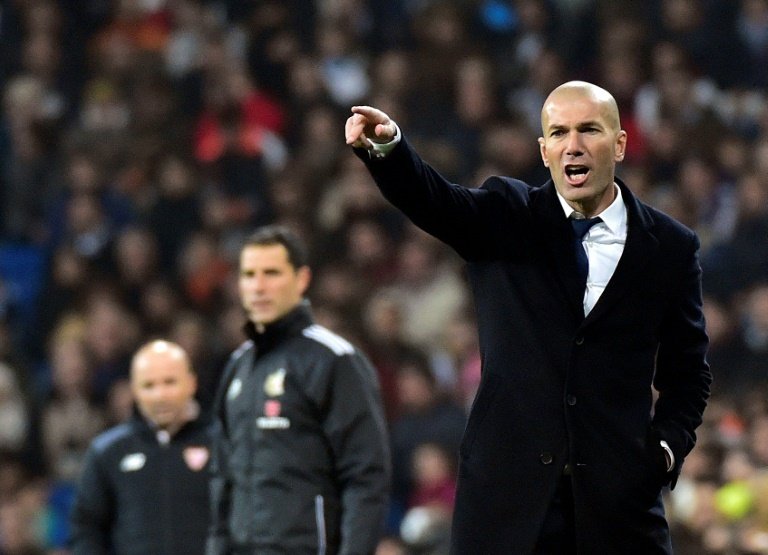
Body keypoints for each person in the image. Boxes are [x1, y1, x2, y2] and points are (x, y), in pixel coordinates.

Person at [345, 81, 712, 554]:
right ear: (544, 150)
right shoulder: (507, 215)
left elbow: (688, 374)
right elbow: (435, 201)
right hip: (505, 505)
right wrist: (391, 149)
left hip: (617, 509)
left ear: (619, 144)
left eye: (589, 131)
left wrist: (664, 450)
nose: (573, 146)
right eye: (559, 133)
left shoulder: (670, 246)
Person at [206, 224, 391, 555]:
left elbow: (365, 476)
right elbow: (223, 478)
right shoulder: (237, 366)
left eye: (271, 273)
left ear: (301, 279)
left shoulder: (334, 360)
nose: (258, 286)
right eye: (249, 275)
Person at [69, 340, 212, 555]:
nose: (160, 395)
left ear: (192, 383)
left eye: (170, 382)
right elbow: (86, 526)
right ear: (134, 390)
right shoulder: (108, 452)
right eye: (149, 385)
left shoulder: (222, 444)